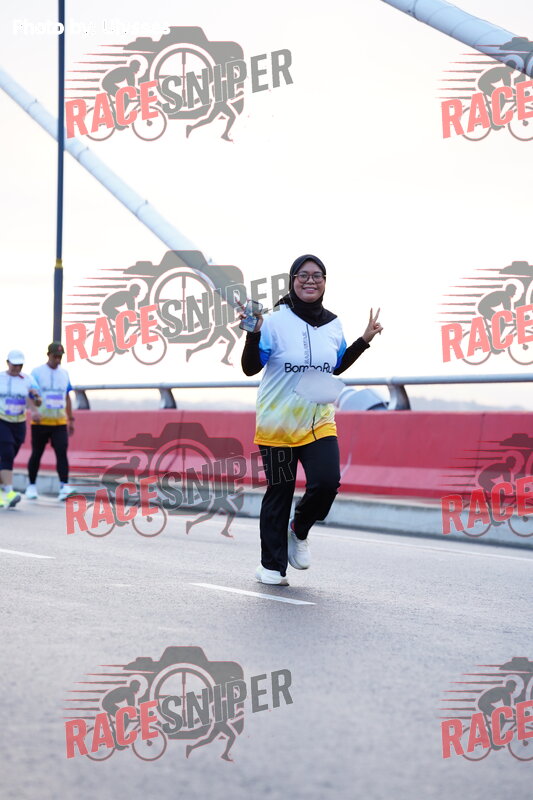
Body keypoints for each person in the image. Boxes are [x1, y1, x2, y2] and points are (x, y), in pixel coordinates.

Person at [241, 254, 383, 585]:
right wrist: (253, 333)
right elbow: (250, 368)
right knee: (280, 491)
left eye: (317, 275)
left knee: (327, 483)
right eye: (303, 275)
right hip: (277, 423)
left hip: (319, 420)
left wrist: (363, 341)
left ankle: (299, 528)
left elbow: (335, 365)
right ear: (292, 280)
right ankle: (271, 567)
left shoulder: (333, 324)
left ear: (324, 282)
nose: (310, 280)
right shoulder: (274, 321)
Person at [25, 343, 76, 502]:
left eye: (60, 357)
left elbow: (67, 397)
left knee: (61, 452)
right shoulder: (37, 372)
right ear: (48, 355)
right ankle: (31, 485)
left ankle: (64, 486)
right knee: (37, 453)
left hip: (59, 422)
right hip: (41, 421)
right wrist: (34, 410)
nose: (58, 359)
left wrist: (71, 419)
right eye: (55, 356)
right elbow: (29, 394)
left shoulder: (64, 373)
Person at [0, 350, 41, 508]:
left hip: (19, 422)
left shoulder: (28, 380)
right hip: (2, 419)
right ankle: (10, 492)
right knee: (7, 452)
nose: (17, 368)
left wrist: (35, 398)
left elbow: (38, 401)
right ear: (8, 363)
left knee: (9, 455)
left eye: (20, 365)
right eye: (14, 365)